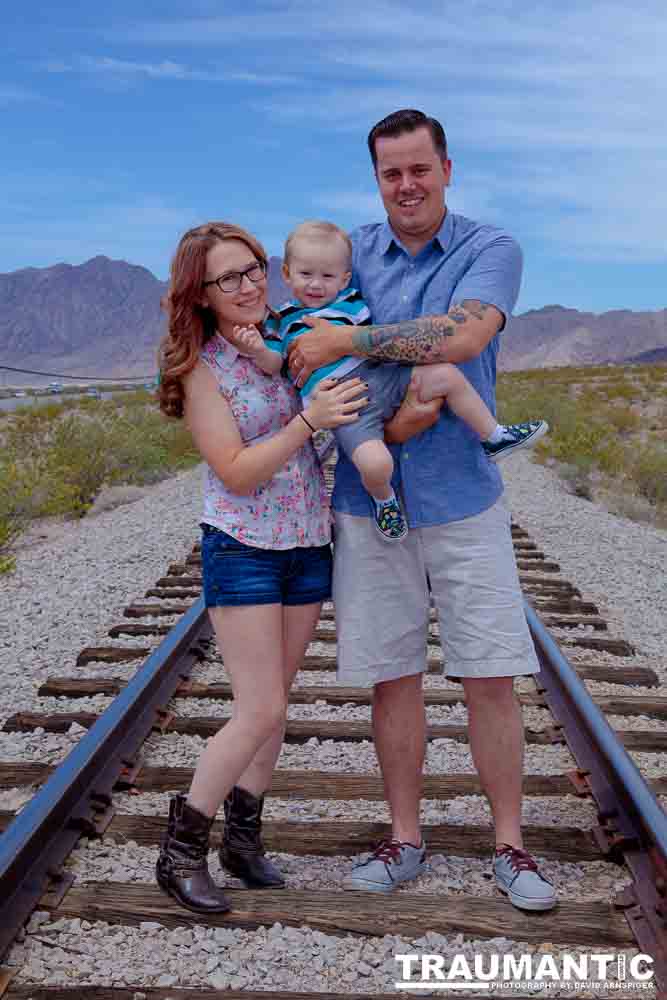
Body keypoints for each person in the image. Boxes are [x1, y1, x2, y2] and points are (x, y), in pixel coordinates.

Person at [287, 110, 557, 911]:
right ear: (375, 178)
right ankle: (404, 837)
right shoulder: (351, 252)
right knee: (392, 677)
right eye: (389, 173)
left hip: (461, 496)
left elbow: (461, 336)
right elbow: (303, 338)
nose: (405, 186)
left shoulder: (489, 248)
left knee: (489, 675)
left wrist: (350, 346)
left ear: (446, 168)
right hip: (369, 506)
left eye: (418, 170)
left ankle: (509, 846)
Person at [155, 221, 365, 914]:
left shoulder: (285, 336)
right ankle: (181, 848)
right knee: (260, 707)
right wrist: (309, 421)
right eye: (228, 278)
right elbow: (238, 473)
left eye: (253, 269)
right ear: (202, 293)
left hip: (306, 543)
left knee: (274, 710)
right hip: (243, 546)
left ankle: (243, 842)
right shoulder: (201, 370)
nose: (248, 285)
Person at [242, 218, 547, 542]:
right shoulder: (282, 320)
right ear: (287, 274)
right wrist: (257, 350)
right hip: (347, 406)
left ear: (344, 278)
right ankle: (384, 500)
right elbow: (275, 363)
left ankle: (493, 435)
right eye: (306, 275)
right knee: (375, 464)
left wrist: (342, 341)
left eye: (327, 276)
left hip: (382, 376)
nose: (316, 284)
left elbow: (390, 336)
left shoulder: (352, 304)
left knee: (445, 374)